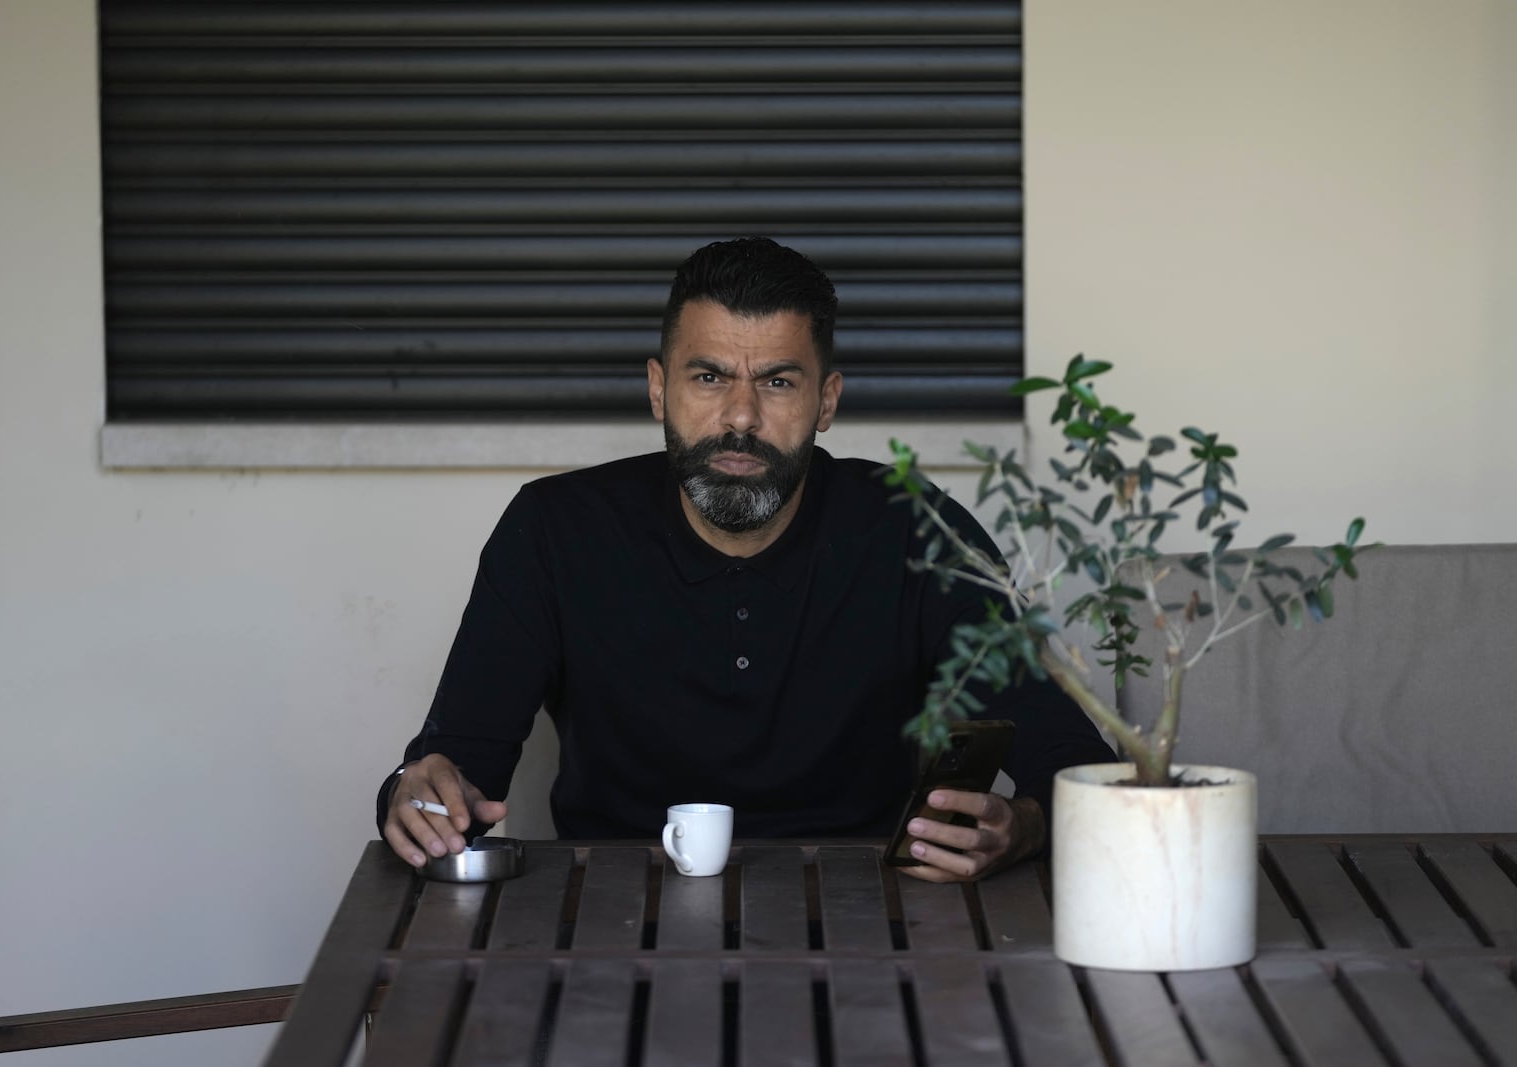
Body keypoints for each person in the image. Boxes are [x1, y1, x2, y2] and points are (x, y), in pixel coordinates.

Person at [377, 237, 1115, 882]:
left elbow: (1080, 768)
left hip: (871, 925)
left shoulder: (917, 533)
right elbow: (449, 775)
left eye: (777, 382)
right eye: (708, 377)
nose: (739, 418)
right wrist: (417, 799)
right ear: (658, 389)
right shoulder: (554, 531)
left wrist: (1020, 828)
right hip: (615, 924)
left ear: (826, 402)